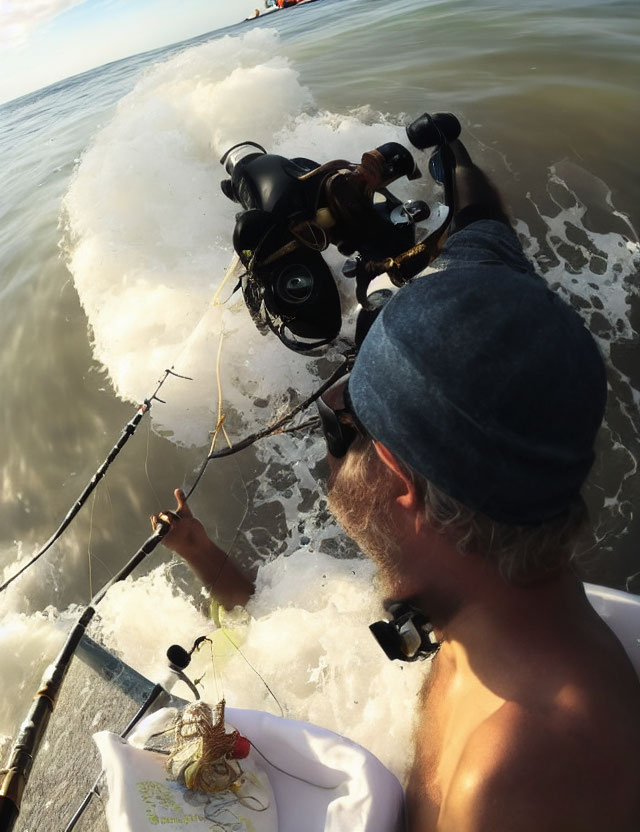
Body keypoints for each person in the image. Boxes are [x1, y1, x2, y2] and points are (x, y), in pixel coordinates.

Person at [153, 140, 640, 831]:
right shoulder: (492, 611)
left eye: (348, 426)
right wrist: (454, 155)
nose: (330, 411)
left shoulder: (521, 777)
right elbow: (484, 233)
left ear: (402, 481)